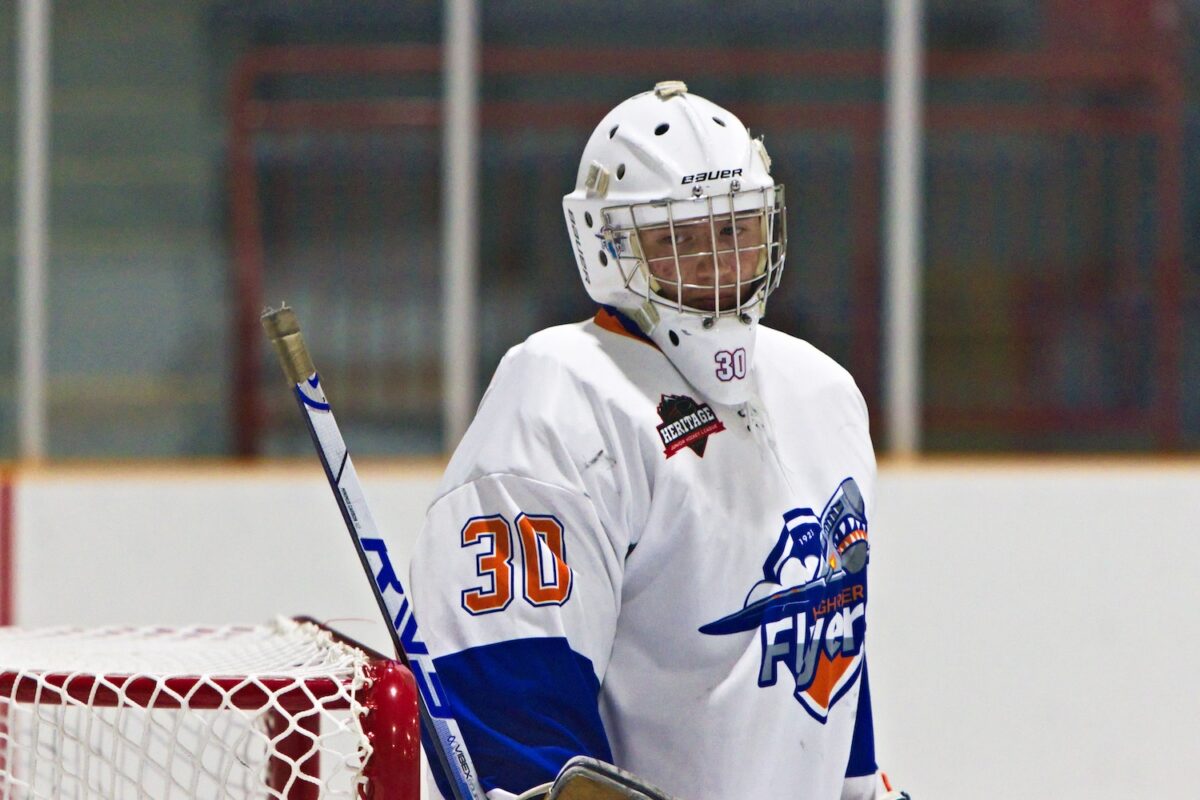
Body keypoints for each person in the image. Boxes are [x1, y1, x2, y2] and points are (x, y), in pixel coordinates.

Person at [410, 81, 903, 800]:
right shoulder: (558, 404)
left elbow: (830, 669)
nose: (716, 261)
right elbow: (512, 728)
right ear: (607, 245)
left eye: (735, 229)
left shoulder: (823, 394)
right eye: (679, 237)